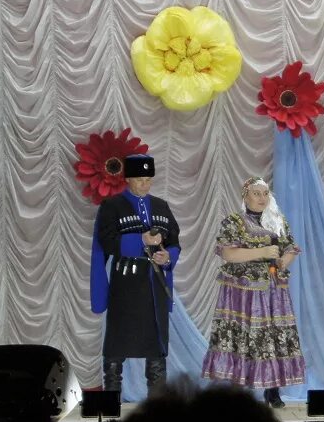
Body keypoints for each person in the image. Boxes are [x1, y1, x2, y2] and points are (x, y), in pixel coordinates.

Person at [201, 177, 306, 408]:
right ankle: (238, 392)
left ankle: (273, 389)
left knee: (273, 336)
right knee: (242, 336)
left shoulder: (276, 220)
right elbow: (229, 254)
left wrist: (281, 262)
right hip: (243, 291)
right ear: (245, 196)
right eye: (256, 193)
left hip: (272, 290)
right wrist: (262, 251)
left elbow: (289, 249)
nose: (261, 198)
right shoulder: (235, 221)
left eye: (265, 193)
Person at [89, 154, 180, 397]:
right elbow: (106, 242)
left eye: (148, 180)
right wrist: (140, 240)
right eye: (139, 179)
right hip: (125, 286)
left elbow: (174, 240)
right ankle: (110, 405)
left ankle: (158, 407)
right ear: (128, 178)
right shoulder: (112, 206)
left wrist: (168, 256)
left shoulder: (161, 206)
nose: (145, 185)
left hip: (155, 285)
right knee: (116, 347)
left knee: (157, 350)